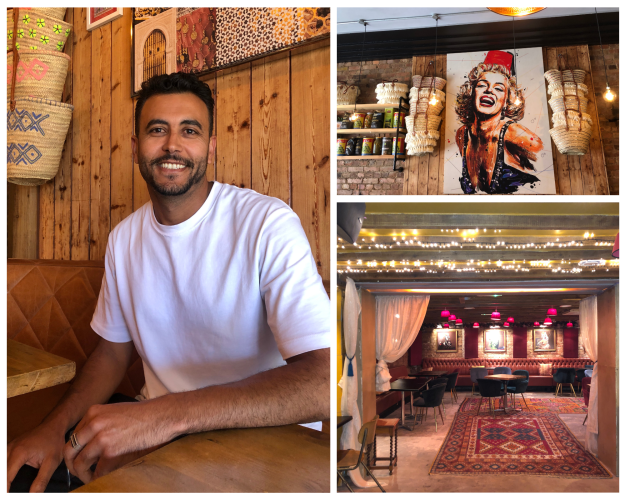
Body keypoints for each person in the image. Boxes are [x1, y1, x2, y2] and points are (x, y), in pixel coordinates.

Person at [7, 72, 330, 492]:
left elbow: (323, 383)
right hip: (155, 440)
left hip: (264, 447)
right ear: (137, 146)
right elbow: (112, 354)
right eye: (157, 130)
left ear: (210, 147)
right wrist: (54, 428)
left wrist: (160, 417)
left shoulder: (267, 224)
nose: (172, 145)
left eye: (189, 131)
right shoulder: (124, 239)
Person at [455, 50, 543, 194]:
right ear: (471, 93)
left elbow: (545, 165)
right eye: (482, 85)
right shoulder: (462, 134)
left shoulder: (513, 132)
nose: (489, 91)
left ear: (506, 102)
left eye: (498, 88)